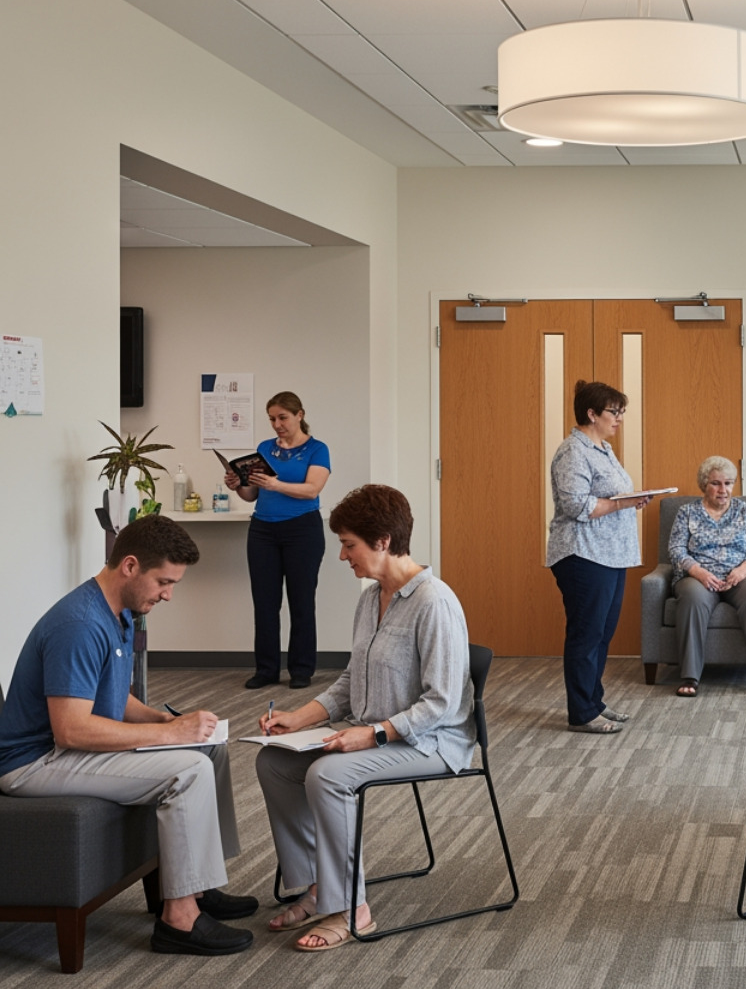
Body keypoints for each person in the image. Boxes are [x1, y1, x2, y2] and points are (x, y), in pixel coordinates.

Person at [0, 515, 256, 956]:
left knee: (207, 751)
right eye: (164, 581)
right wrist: (172, 734)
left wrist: (162, 721)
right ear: (131, 566)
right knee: (190, 769)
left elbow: (115, 701)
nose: (169, 594)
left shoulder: (117, 612)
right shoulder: (79, 624)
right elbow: (72, 729)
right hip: (34, 764)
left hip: (61, 751)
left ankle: (198, 886)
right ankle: (179, 920)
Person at [254, 484, 475, 951]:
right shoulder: (370, 599)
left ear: (383, 541)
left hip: (429, 742)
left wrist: (373, 735)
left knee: (328, 776)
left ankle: (351, 907)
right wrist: (300, 718)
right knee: (273, 762)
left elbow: (441, 703)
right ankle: (318, 887)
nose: (342, 555)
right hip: (374, 735)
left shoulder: (434, 602)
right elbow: (351, 682)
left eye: (349, 544)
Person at [547, 380, 653, 733]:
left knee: (602, 633)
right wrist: (623, 501)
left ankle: (594, 702)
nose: (619, 418)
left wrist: (633, 498)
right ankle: (581, 713)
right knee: (586, 634)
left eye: (621, 412)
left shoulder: (603, 449)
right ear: (591, 414)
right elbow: (575, 504)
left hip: (611, 554)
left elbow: (610, 496)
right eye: (614, 412)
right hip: (583, 555)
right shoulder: (572, 451)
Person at [225, 391, 332, 690]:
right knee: (265, 603)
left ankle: (301, 670)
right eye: (272, 419)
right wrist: (237, 485)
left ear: (300, 415)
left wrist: (276, 483)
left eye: (282, 417)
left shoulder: (317, 449)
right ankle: (267, 669)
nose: (277, 424)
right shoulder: (264, 449)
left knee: (301, 603)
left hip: (303, 531)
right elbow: (252, 494)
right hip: (263, 530)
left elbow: (311, 490)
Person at [668, 455, 746, 698]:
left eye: (728, 483)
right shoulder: (687, 513)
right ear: (704, 484)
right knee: (692, 598)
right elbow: (675, 550)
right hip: (698, 578)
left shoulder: (745, 511)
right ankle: (690, 675)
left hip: (740, 576)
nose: (723, 490)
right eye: (716, 483)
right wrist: (698, 572)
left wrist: (743, 569)